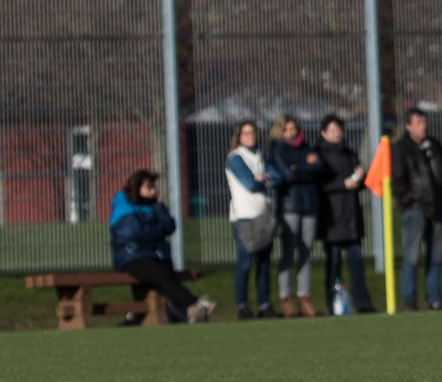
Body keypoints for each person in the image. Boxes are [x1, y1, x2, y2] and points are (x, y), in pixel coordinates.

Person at [110, 169, 214, 324]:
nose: (154, 191)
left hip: (154, 255)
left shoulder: (153, 206)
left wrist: (160, 208)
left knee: (162, 275)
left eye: (154, 187)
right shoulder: (124, 206)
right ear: (137, 188)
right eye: (149, 187)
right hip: (132, 257)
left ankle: (181, 312)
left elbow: (170, 226)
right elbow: (136, 234)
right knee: (161, 276)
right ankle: (194, 303)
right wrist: (159, 231)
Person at [391, 106, 442, 310]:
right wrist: (411, 199)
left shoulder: (433, 146)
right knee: (412, 255)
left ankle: (434, 298)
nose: (423, 127)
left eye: (425, 122)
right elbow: (398, 181)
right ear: (408, 126)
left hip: (436, 207)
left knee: (436, 256)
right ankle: (409, 299)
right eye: (419, 123)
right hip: (415, 208)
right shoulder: (401, 149)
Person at [316, 114, 377, 313]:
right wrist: (342, 185)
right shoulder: (319, 156)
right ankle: (333, 304)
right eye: (332, 130)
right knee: (333, 264)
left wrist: (360, 178)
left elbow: (357, 183)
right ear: (324, 133)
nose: (336, 134)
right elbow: (320, 185)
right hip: (332, 217)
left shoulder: (349, 153)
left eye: (339, 130)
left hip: (351, 217)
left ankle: (362, 303)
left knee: (356, 264)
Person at [271, 114, 326, 317]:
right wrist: (306, 167)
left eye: (293, 128)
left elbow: (319, 167)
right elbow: (288, 175)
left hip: (310, 203)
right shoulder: (278, 150)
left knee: (306, 250)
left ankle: (305, 296)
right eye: (286, 129)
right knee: (289, 251)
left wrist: (300, 166)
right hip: (290, 205)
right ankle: (286, 297)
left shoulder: (306, 147)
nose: (291, 132)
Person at [226, 120, 278, 319]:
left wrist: (263, 178)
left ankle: (264, 305)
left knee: (264, 262)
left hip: (264, 212)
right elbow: (250, 183)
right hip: (244, 217)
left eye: (253, 133)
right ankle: (242, 306)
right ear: (239, 136)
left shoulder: (260, 155)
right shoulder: (235, 158)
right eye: (246, 133)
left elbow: (278, 177)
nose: (250, 136)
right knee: (245, 262)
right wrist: (263, 179)